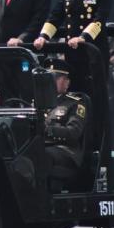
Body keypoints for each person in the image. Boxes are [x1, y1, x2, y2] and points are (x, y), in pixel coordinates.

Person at [34, 0, 113, 94]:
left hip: (92, 51)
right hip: (72, 53)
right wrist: (44, 36)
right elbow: (56, 15)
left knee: (94, 94)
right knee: (74, 94)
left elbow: (100, 18)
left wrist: (83, 37)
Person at [42, 59, 89, 190]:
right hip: (42, 147)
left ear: (67, 82)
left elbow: (74, 132)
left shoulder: (75, 103)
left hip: (66, 152)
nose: (51, 81)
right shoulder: (39, 103)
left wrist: (48, 130)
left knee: (41, 156)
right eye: (49, 77)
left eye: (56, 78)